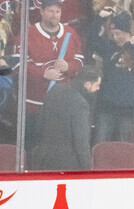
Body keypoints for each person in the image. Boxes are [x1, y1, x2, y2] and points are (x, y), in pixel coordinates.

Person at [23, 0, 85, 148]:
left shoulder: (70, 32)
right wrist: (43, 73)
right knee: (34, 146)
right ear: (42, 12)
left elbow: (80, 61)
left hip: (62, 104)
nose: (54, 15)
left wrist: (68, 66)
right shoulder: (28, 33)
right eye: (50, 11)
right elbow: (19, 64)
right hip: (35, 104)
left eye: (57, 11)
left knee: (58, 147)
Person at [90, 12, 134, 143]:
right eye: (112, 34)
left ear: (126, 32)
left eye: (118, 33)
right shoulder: (108, 47)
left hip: (128, 108)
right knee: (100, 143)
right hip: (106, 105)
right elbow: (92, 40)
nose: (115, 37)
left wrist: (132, 46)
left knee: (122, 146)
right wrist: (99, 19)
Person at [32, 64, 101, 171]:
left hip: (43, 159)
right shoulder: (81, 104)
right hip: (67, 165)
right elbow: (81, 142)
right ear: (87, 84)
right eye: (97, 85)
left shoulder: (54, 90)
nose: (98, 89)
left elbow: (39, 124)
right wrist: (88, 168)